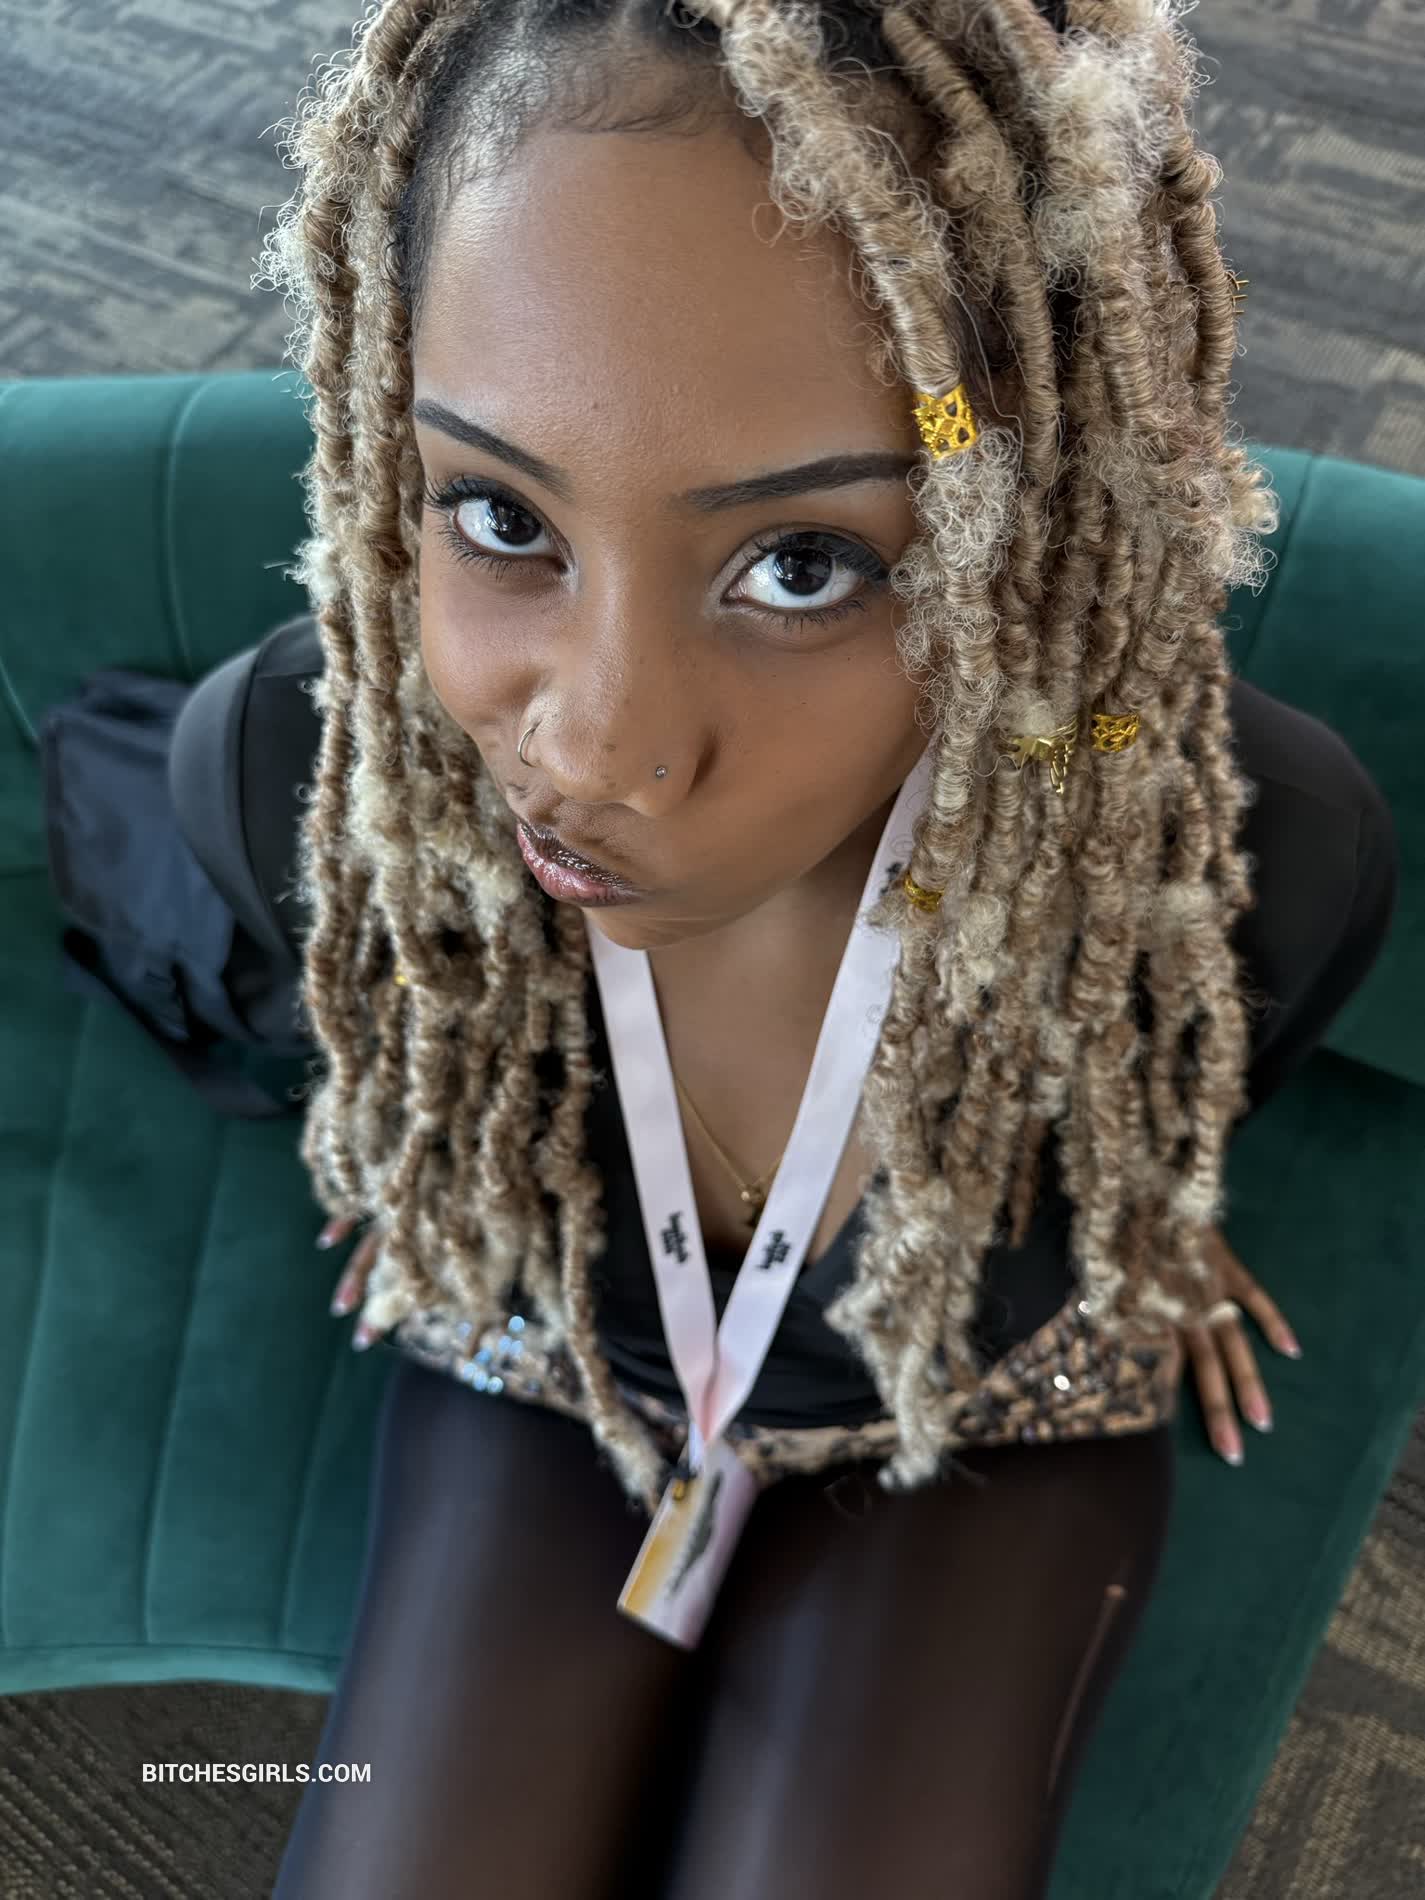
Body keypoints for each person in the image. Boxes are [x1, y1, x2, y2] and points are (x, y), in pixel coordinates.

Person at [234, 1, 1397, 1894]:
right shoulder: (323, 774)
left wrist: (1145, 1202)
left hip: (984, 1395)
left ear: (1023, 512)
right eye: (498, 513)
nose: (592, 752)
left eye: (803, 564)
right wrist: (403, 1133)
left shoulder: (1227, 847)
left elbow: (1216, 1048)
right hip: (548, 1353)